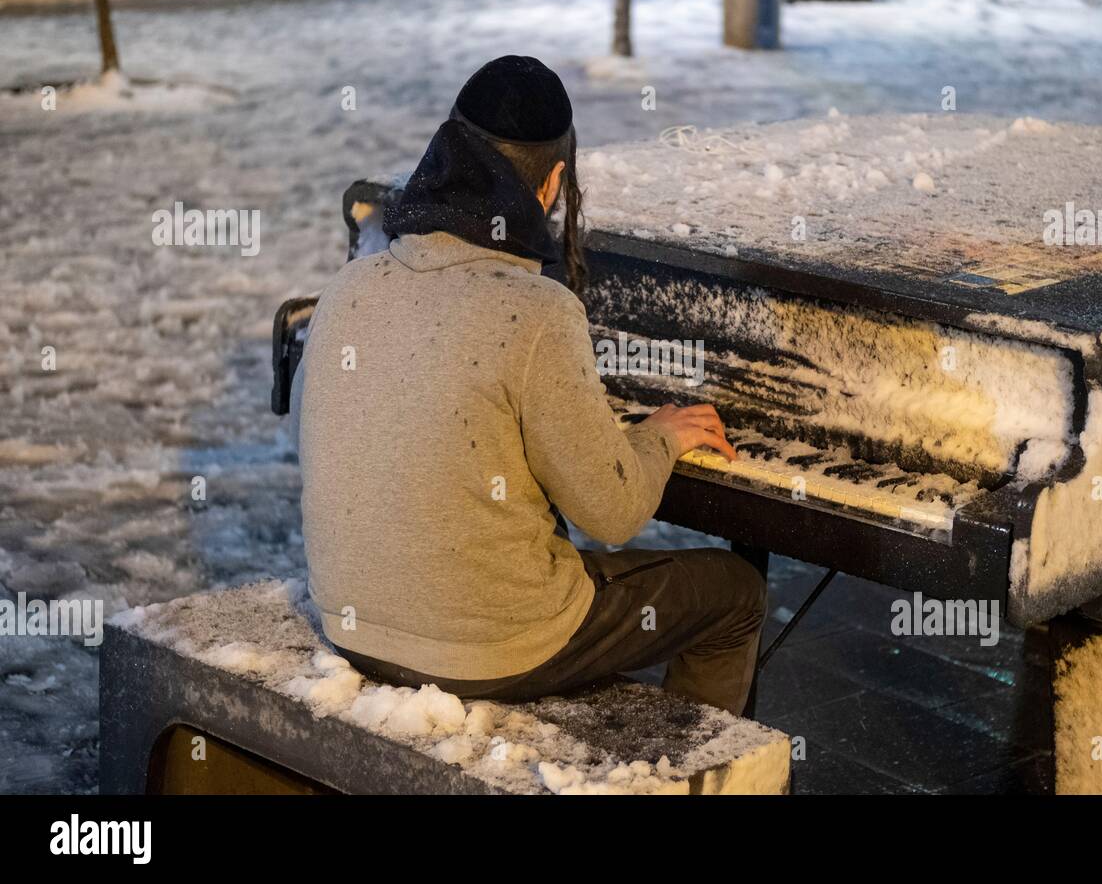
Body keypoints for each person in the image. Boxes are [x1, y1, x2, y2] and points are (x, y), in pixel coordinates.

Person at [292, 56, 766, 715]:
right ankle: (681, 772)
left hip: (348, 621)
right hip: (491, 650)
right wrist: (656, 437)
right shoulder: (536, 311)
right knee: (735, 593)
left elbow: (327, 432)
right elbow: (612, 513)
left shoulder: (346, 289)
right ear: (552, 185)